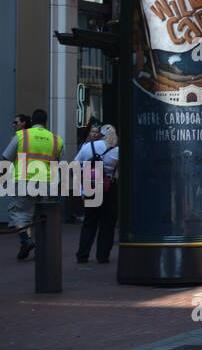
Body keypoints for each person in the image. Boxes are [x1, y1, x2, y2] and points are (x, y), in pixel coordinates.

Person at [2, 109, 64, 260]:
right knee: (43, 215)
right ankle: (39, 247)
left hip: (24, 180)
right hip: (47, 183)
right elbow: (61, 165)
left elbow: (5, 157)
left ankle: (26, 240)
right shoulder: (56, 140)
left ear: (32, 120)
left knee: (20, 214)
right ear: (45, 122)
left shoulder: (21, 136)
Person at [73, 124, 119, 263]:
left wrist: (80, 189)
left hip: (90, 185)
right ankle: (102, 255)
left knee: (89, 222)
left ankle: (82, 254)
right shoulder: (117, 150)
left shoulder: (88, 147)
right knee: (107, 223)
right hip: (108, 188)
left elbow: (76, 164)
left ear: (100, 133)